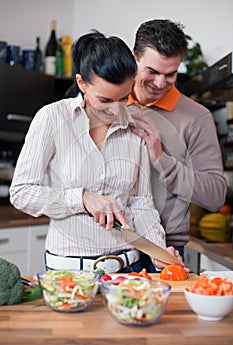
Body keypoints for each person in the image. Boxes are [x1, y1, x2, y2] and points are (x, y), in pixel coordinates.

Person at [10, 30, 174, 274]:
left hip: (129, 267)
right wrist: (82, 198)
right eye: (105, 100)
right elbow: (21, 193)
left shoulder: (136, 126)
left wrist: (158, 249)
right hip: (69, 271)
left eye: (124, 98)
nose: (116, 110)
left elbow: (141, 203)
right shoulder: (52, 118)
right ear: (81, 83)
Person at [127, 19, 227, 258]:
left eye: (170, 74)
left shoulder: (197, 118)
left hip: (165, 251)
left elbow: (215, 196)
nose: (160, 83)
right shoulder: (109, 102)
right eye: (152, 71)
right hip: (109, 245)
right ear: (134, 58)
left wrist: (162, 160)